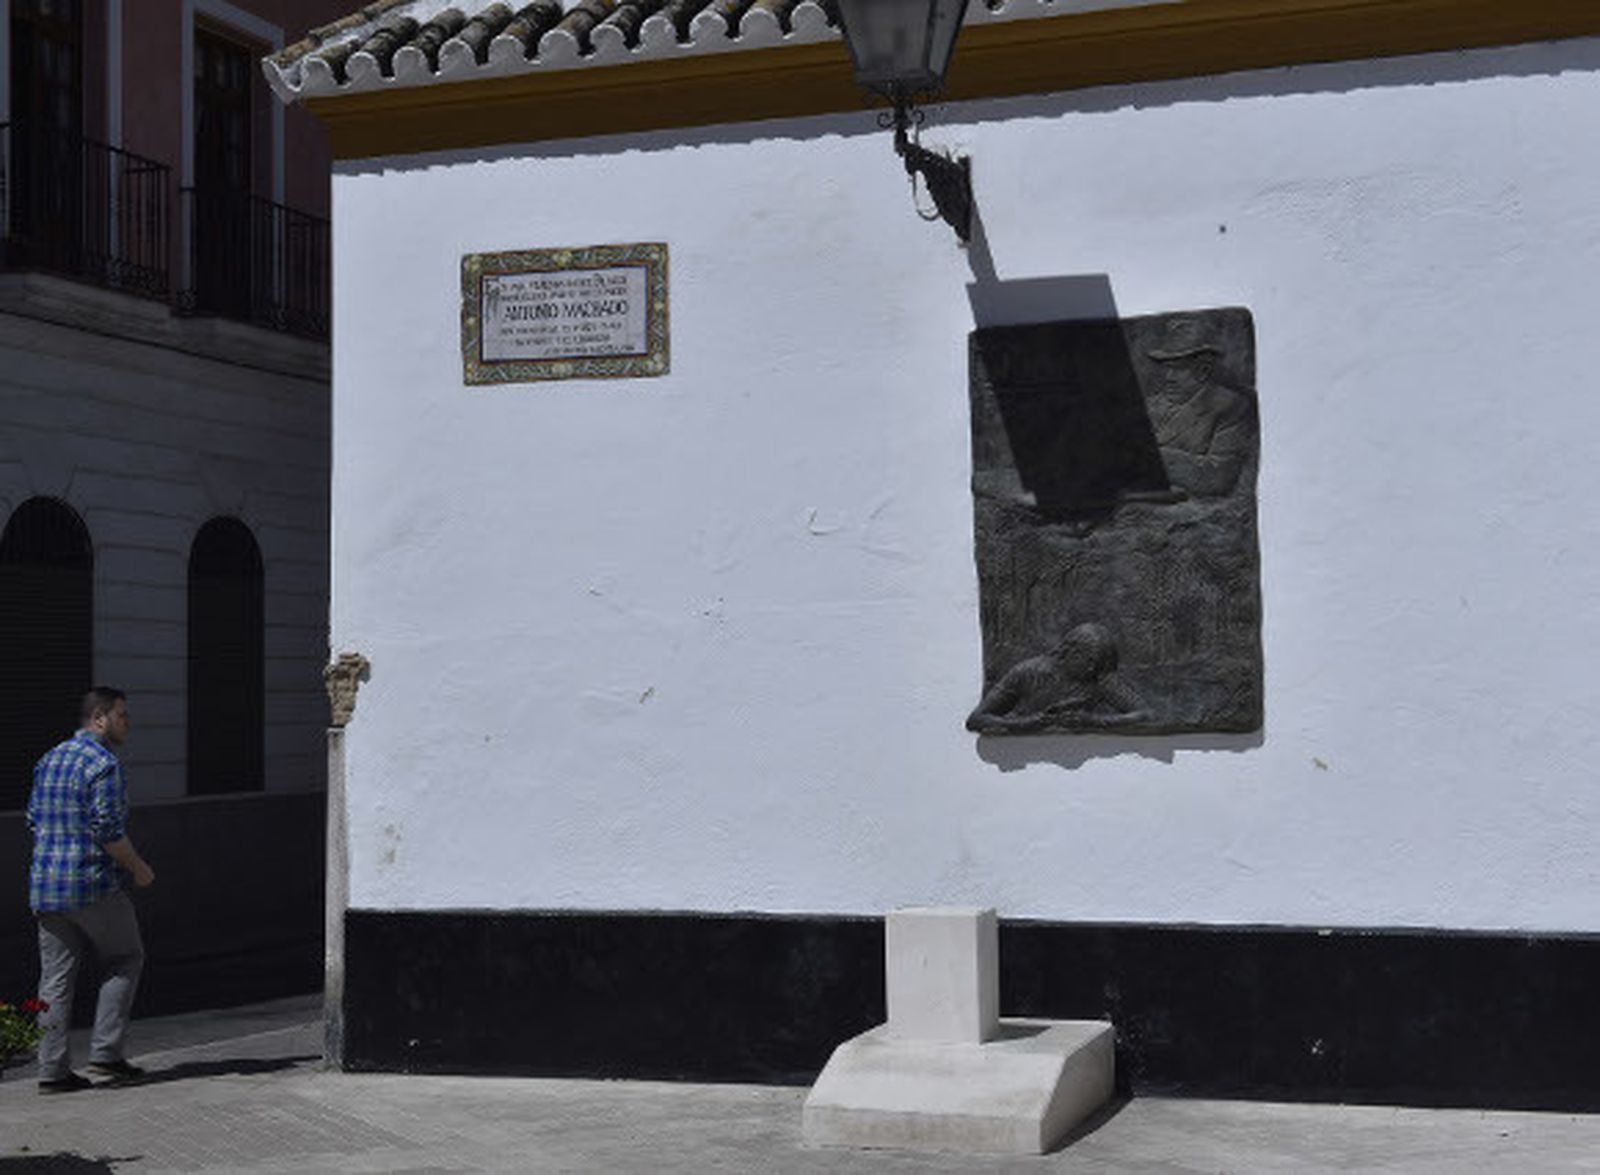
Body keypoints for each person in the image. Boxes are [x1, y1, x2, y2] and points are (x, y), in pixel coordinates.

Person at [26, 687, 155, 1093]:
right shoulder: (103, 764)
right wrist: (139, 868)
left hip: (46, 886)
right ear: (99, 718)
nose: (128, 723)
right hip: (90, 885)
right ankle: (106, 1054)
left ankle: (51, 1072)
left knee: (54, 981)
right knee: (126, 956)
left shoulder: (48, 759)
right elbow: (107, 830)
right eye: (122, 715)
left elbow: (33, 819)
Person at [967, 622, 1149, 734]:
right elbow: (977, 719)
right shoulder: (1027, 672)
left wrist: (1093, 720)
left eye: (1097, 663)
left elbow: (1146, 714)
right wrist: (1022, 724)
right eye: (1089, 660)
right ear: (1070, 651)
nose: (1092, 668)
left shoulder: (1100, 679)